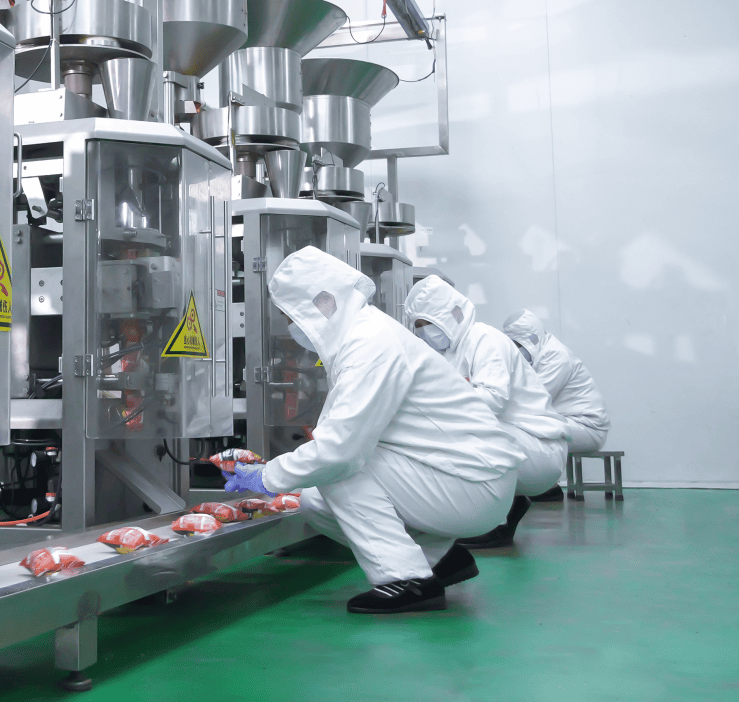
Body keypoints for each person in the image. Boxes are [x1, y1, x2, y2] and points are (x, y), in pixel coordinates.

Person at [223, 247, 522, 614]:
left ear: (320, 303)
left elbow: (339, 450)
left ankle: (407, 579)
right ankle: (438, 560)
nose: (291, 325)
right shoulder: (361, 337)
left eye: (290, 315)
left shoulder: (371, 342)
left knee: (340, 470)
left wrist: (267, 476)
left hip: (476, 483)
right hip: (462, 476)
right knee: (315, 500)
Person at [404, 276, 570, 549]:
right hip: (519, 447)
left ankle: (494, 521)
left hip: (540, 448)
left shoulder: (483, 337)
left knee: (459, 435)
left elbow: (493, 400)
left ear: (450, 315)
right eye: (418, 326)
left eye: (428, 324)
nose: (424, 333)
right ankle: (506, 508)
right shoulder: (446, 354)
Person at [504, 309, 609, 455]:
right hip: (566, 422)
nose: (515, 351)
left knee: (518, 431)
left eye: (517, 345)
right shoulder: (539, 355)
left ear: (530, 340)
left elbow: (532, 401)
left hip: (587, 428)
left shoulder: (557, 356)